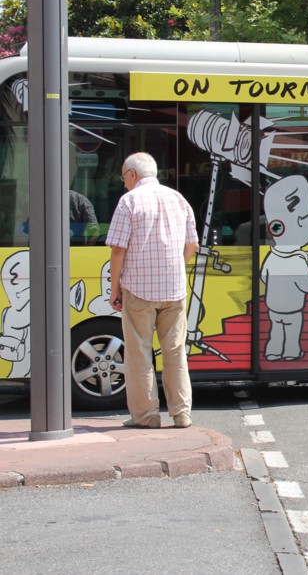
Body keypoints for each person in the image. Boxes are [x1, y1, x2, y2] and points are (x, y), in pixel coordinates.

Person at [107, 153, 198, 429]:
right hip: (174, 290)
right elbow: (192, 245)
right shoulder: (178, 199)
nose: (124, 183)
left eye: (124, 177)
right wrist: (175, 268)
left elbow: (118, 250)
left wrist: (115, 289)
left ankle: (146, 416)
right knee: (175, 351)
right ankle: (181, 414)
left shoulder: (129, 201)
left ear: (133, 174)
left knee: (139, 353)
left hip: (139, 290)